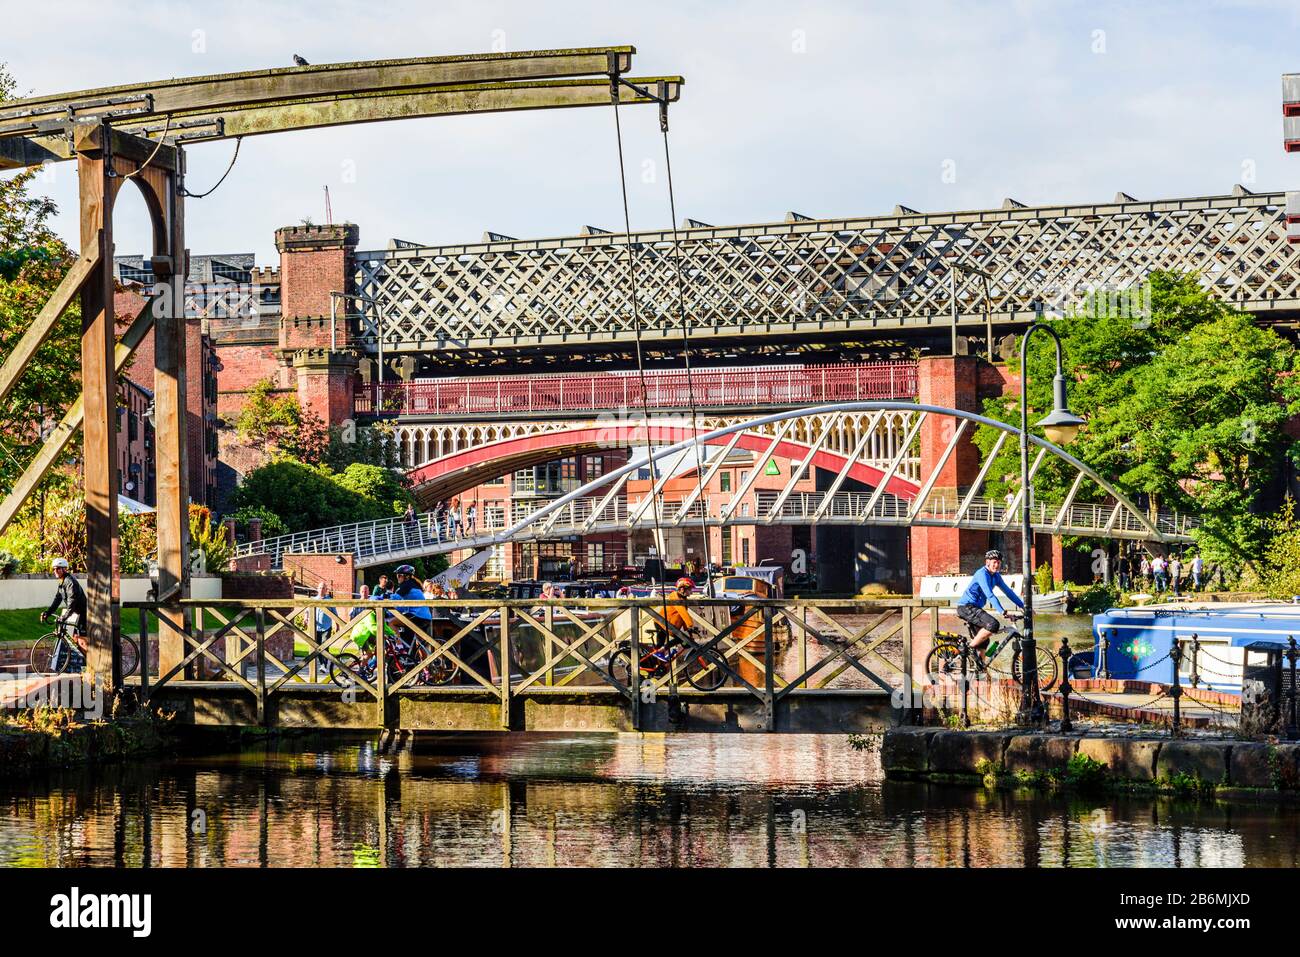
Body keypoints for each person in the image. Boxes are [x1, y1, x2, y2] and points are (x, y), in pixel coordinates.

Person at [954, 550, 1024, 662]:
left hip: (975, 608)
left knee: (984, 641)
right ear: (987, 562)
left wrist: (1022, 606)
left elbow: (1008, 592)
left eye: (998, 563)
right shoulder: (981, 574)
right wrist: (1002, 611)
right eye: (994, 562)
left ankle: (980, 671)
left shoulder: (996, 576)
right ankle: (969, 648)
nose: (996, 565)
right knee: (993, 624)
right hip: (966, 607)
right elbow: (990, 595)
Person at [41, 557, 87, 652]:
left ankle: (92, 662)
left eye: (58, 568)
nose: (55, 571)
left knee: (82, 641)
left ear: (64, 569)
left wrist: (64, 617)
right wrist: (48, 612)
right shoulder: (62, 582)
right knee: (74, 638)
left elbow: (72, 602)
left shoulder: (70, 582)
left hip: (84, 613)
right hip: (77, 613)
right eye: (54, 569)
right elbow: (57, 599)